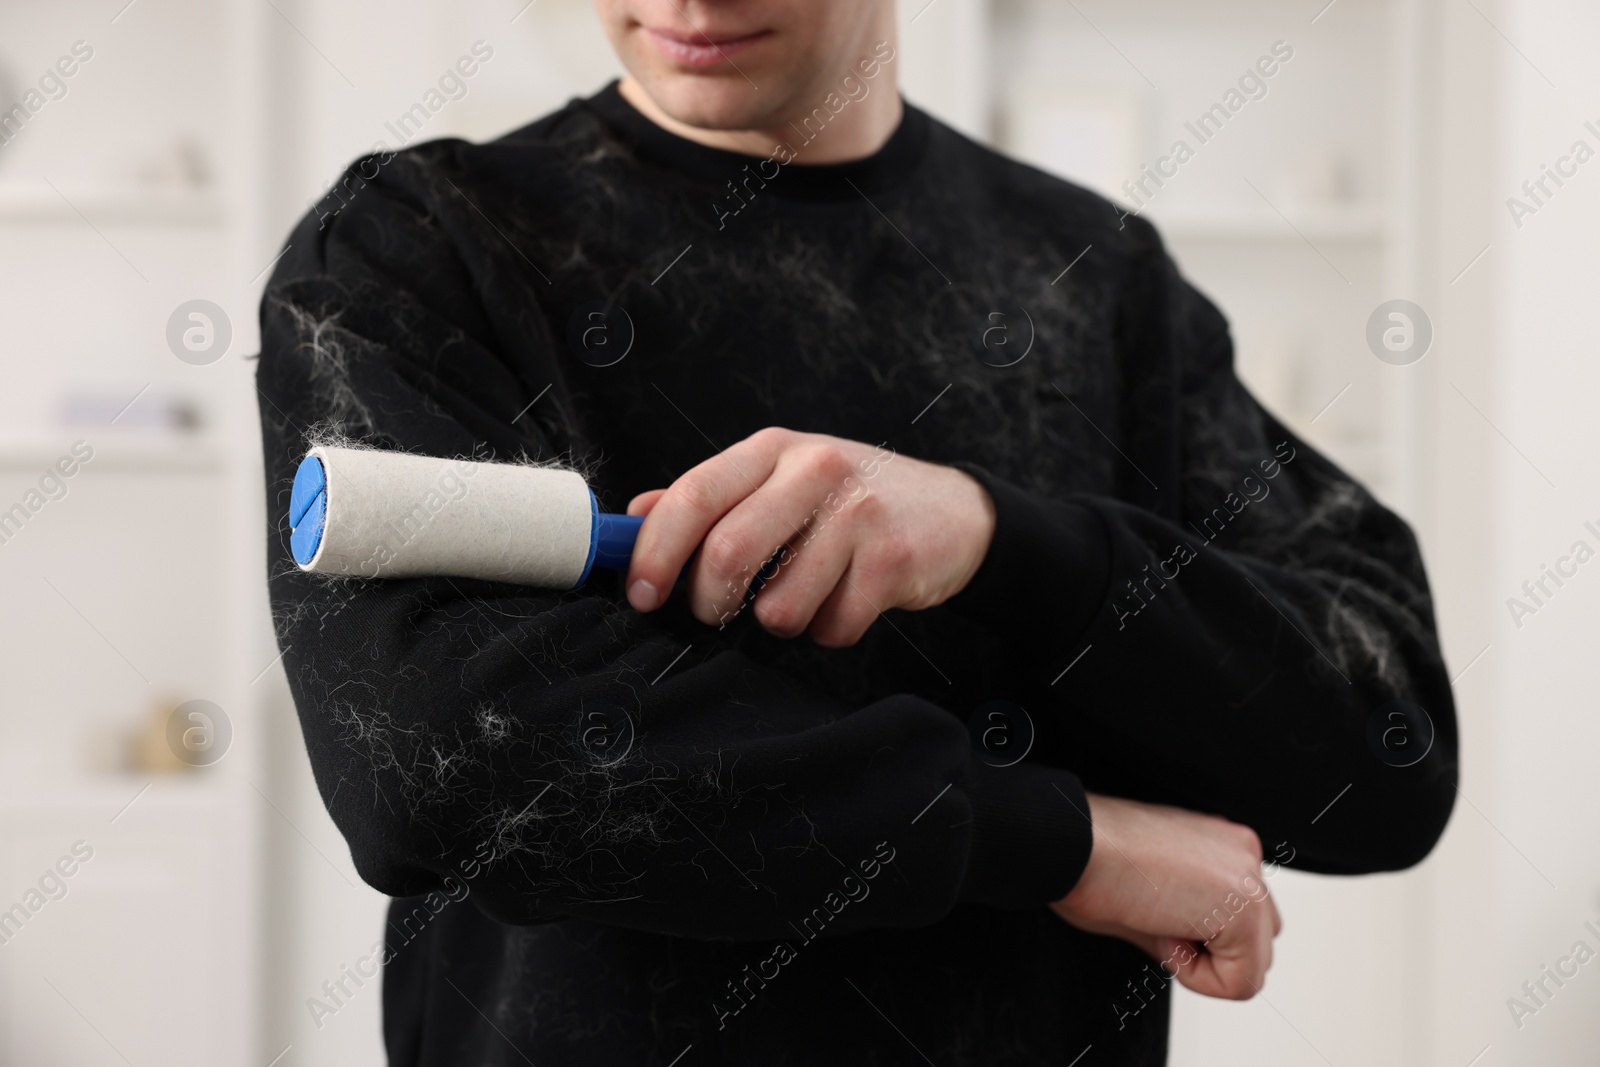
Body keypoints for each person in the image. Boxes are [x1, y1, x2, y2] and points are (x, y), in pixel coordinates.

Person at [255, 1, 1457, 1063]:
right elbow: (443, 768)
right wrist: (1060, 841)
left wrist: (1002, 541)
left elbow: (1389, 753)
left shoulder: (1093, 278)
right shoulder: (415, 247)